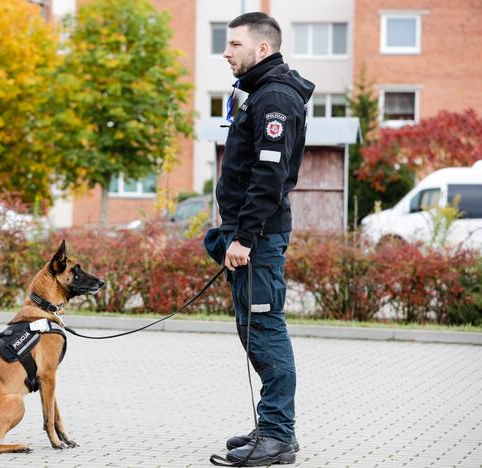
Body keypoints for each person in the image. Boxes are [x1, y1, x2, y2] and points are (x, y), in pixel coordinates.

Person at [203, 12, 314, 466]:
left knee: (266, 332)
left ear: (262, 49)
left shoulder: (274, 99)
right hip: (250, 235)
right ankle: (270, 423)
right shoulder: (258, 93)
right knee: (254, 332)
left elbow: (270, 178)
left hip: (260, 239)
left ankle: (278, 436)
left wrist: (244, 238)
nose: (226, 52)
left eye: (234, 44)